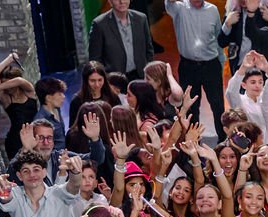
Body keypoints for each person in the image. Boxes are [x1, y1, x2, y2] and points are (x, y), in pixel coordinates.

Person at [166, 0, 226, 142]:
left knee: (218, 105)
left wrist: (221, 62)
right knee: (191, 107)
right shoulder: (179, 8)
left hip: (211, 64)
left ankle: (223, 141)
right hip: (188, 66)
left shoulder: (213, 10)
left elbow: (218, 37)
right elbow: (169, 3)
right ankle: (193, 142)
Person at [89, 0, 154, 80]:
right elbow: (95, 60)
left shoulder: (141, 19)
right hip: (114, 81)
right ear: (110, 1)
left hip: (141, 76)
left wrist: (149, 73)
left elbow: (149, 49)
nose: (121, 1)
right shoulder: (99, 24)